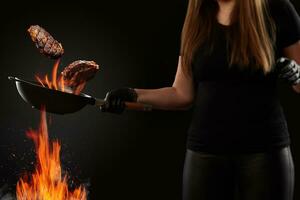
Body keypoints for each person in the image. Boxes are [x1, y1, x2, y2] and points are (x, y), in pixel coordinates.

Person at [100, 0, 300, 199]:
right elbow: (181, 94)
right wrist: (132, 94)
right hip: (205, 154)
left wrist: (297, 76)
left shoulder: (277, 9)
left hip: (264, 154)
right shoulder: (198, 16)